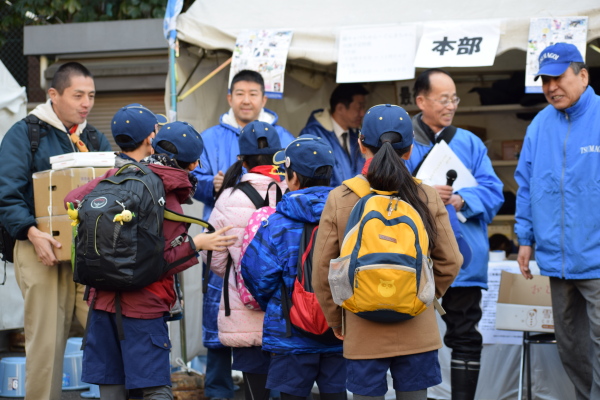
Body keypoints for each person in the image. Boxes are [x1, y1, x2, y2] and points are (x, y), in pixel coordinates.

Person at [65, 118, 236, 400]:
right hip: (143, 308)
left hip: (101, 302)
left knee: (111, 385)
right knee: (154, 387)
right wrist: (198, 243)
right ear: (192, 164)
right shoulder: (166, 197)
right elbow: (163, 259)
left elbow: (71, 200)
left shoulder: (120, 175)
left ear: (153, 145)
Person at [312, 104, 462, 400]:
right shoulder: (426, 195)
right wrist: (423, 295)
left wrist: (338, 319)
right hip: (417, 328)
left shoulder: (341, 197)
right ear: (409, 150)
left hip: (361, 327)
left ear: (361, 144)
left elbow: (322, 271)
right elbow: (452, 260)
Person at [0, 62, 112, 400]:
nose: (86, 103)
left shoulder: (92, 137)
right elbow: (7, 193)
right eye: (78, 95)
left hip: (86, 251)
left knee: (105, 331)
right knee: (46, 342)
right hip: (37, 247)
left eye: (91, 96)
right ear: (54, 95)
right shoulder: (25, 133)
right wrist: (32, 233)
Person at [191, 69, 294, 400]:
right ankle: (219, 389)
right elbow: (192, 180)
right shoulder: (209, 137)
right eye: (240, 93)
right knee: (219, 320)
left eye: (253, 93)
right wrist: (212, 185)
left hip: (235, 252)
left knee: (247, 319)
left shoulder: (284, 134)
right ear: (229, 98)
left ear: (264, 99)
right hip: (224, 241)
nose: (246, 99)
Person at [405, 69, 504, 400]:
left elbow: (494, 190)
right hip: (413, 258)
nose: (450, 106)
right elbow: (382, 193)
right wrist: (424, 194)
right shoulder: (402, 141)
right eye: (442, 99)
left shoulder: (470, 142)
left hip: (464, 258)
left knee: (465, 334)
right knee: (412, 335)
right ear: (421, 101)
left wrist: (462, 198)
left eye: (454, 99)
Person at [515, 42, 600, 400]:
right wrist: (524, 238)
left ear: (582, 75)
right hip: (556, 260)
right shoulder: (539, 124)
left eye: (558, 77)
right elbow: (524, 183)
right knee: (570, 346)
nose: (551, 87)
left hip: (596, 258)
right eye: (545, 80)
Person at [241, 136, 346, 400]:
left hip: (290, 334)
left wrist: (282, 302)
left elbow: (255, 275)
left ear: (293, 177)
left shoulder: (275, 224)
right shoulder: (348, 217)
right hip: (341, 330)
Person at [203, 120, 287, 400]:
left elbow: (214, 258)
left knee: (256, 393)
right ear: (278, 157)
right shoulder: (291, 193)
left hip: (244, 311)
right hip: (288, 311)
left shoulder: (228, 197)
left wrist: (239, 274)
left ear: (242, 160)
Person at [299, 83, 368, 188]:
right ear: (340, 108)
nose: (362, 113)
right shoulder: (312, 136)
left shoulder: (357, 135)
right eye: (359, 107)